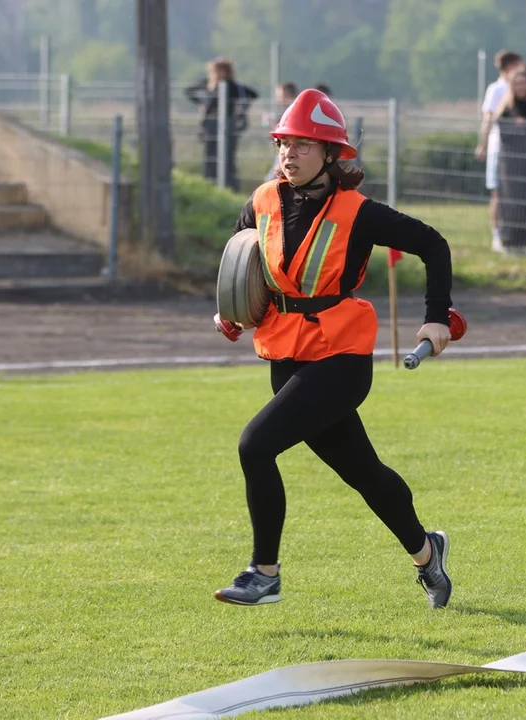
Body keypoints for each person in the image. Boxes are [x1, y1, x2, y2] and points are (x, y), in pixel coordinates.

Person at [215, 89, 456, 610]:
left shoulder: (358, 211)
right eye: (284, 143)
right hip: (287, 353)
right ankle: (426, 552)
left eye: (303, 145)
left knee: (254, 445)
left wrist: (437, 316)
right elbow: (239, 258)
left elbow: (434, 244)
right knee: (363, 473)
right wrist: (228, 311)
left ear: (331, 155)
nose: (289, 154)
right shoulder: (261, 200)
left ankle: (264, 573)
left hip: (341, 357)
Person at [184, 57, 259, 192]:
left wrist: (238, 107)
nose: (212, 75)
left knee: (228, 159)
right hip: (211, 126)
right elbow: (189, 91)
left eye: (214, 71)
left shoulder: (234, 88)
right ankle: (208, 188)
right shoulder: (208, 86)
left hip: (229, 126)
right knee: (210, 158)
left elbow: (253, 94)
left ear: (224, 71)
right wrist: (203, 101)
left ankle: (230, 188)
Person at [476, 50, 524, 252]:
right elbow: (488, 118)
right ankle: (497, 234)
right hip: (498, 146)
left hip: (518, 149)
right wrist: (483, 144)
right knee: (498, 191)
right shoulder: (496, 89)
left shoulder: (522, 86)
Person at [494, 67, 526, 254]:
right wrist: (518, 127)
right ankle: (508, 241)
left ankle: (524, 240)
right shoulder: (507, 107)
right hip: (511, 162)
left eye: (524, 83)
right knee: (511, 200)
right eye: (518, 83)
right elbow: (504, 131)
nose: (522, 87)